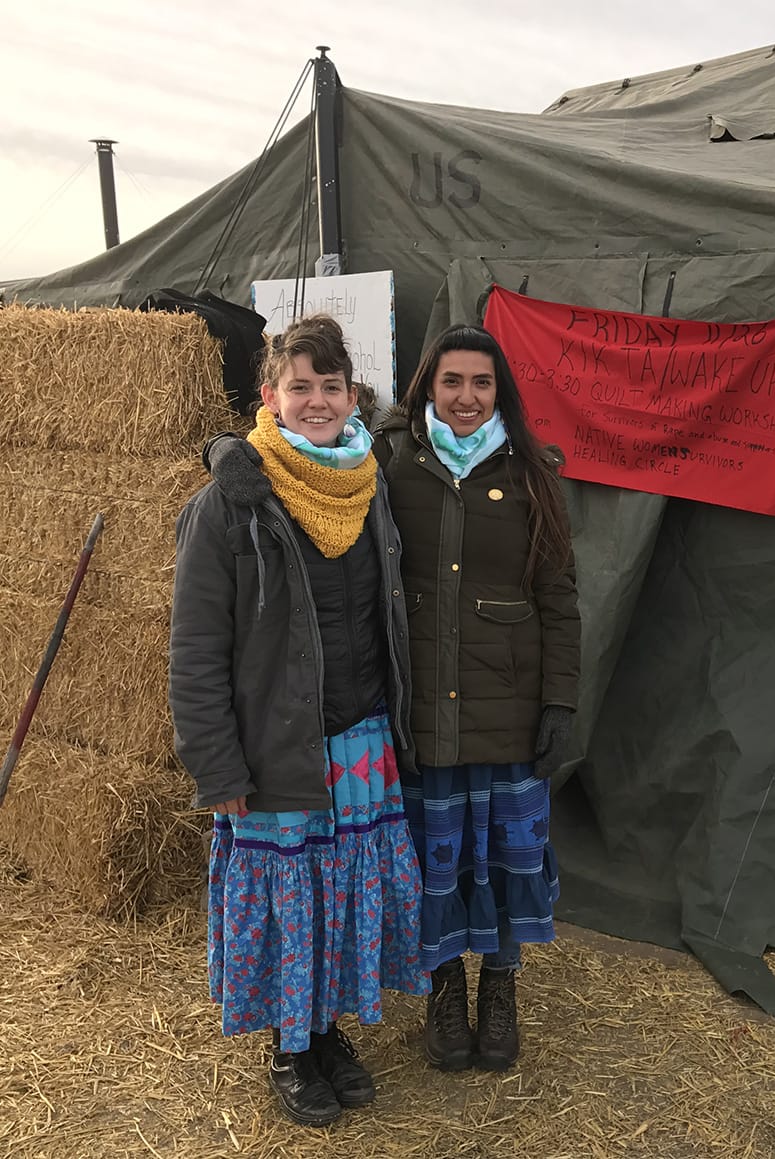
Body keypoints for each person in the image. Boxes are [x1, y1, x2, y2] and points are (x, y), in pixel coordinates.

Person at [170, 314, 429, 1127]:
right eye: (300, 386)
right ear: (269, 396)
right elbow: (195, 650)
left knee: (340, 892)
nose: (317, 400)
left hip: (359, 736)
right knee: (290, 899)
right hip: (279, 743)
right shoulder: (227, 504)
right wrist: (217, 767)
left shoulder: (369, 482)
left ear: (353, 394)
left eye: (331, 385)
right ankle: (289, 1044)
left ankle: (327, 1031)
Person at [372, 323, 580, 1073]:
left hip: (508, 709)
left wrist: (560, 699)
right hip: (425, 709)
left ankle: (499, 988)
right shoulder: (391, 464)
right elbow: (307, 466)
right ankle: (443, 991)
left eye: (481, 383)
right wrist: (223, 450)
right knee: (438, 862)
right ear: (429, 385)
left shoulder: (529, 473)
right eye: (452, 381)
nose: (465, 397)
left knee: (502, 860)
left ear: (501, 392)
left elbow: (559, 595)